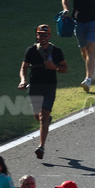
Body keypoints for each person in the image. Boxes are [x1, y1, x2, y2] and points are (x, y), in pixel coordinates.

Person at [18, 24, 68, 160]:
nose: (43, 37)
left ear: (49, 36)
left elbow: (65, 68)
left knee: (43, 117)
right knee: (37, 116)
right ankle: (46, 122)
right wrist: (23, 80)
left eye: (45, 35)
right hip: (34, 86)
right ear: (37, 35)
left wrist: (55, 67)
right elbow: (24, 68)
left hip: (49, 87)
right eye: (40, 35)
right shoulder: (31, 50)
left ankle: (41, 147)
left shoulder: (56, 51)